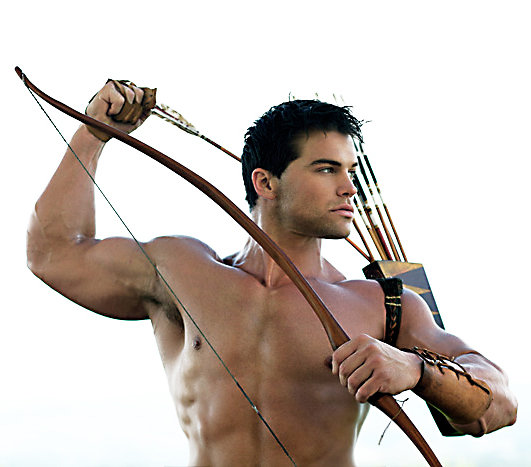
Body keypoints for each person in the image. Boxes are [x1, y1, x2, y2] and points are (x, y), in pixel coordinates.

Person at [27, 79, 517, 466]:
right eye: (326, 169)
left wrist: (415, 370)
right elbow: (53, 253)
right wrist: (92, 134)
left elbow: (499, 406)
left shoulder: (385, 303)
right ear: (265, 182)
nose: (350, 188)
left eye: (350, 171)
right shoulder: (182, 269)